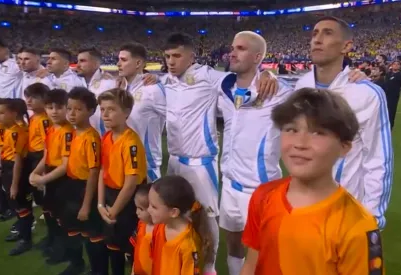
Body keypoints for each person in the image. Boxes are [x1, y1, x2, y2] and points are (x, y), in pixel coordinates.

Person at [161, 32, 278, 274]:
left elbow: (240, 77)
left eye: (176, 56)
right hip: (173, 161)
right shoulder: (166, 82)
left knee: (206, 217)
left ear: (191, 57)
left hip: (199, 164)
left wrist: (266, 71)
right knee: (178, 214)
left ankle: (209, 267)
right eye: (167, 56)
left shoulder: (207, 76)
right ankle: (184, 260)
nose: (171, 61)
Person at [241, 88, 384, 275]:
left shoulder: (357, 226)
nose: (300, 143)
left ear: (344, 147)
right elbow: (252, 265)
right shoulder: (263, 196)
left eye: (317, 132)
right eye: (291, 129)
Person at [294, 16, 393, 230]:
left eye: (327, 33)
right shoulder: (300, 87)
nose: (317, 40)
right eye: (314, 34)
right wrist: (265, 73)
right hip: (301, 207)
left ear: (346, 46)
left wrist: (373, 218)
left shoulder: (366, 94)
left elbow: (378, 160)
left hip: (344, 212)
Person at [218, 31, 293, 275]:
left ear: (257, 56)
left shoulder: (278, 90)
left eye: (240, 48)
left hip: (259, 189)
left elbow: (315, 93)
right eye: (232, 47)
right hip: (229, 184)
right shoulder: (223, 86)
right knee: (233, 242)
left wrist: (270, 74)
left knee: (262, 252)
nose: (232, 52)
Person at [97, 88, 147, 275]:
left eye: (111, 109)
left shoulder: (130, 142)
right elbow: (103, 171)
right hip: (110, 197)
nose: (105, 114)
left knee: (132, 247)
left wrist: (113, 211)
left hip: (127, 201)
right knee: (112, 245)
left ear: (126, 113)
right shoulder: (107, 137)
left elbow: (131, 183)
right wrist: (101, 204)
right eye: (102, 109)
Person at [59, 87, 102, 275]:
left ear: (91, 111)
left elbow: (94, 173)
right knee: (72, 228)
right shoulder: (74, 133)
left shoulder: (92, 138)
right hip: (72, 185)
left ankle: (97, 269)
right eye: (69, 109)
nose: (72, 113)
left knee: (91, 233)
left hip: (85, 189)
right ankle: (77, 264)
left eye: (78, 109)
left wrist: (86, 205)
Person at [29, 88, 74, 265]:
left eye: (59, 107)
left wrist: (42, 179)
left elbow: (65, 165)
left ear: (67, 108)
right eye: (50, 107)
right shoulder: (51, 128)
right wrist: (36, 172)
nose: (54, 111)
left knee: (63, 217)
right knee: (49, 211)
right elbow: (46, 155)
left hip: (63, 179)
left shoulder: (68, 131)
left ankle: (65, 251)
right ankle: (53, 241)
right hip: (50, 175)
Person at [117, 42, 166, 182]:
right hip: (122, 162)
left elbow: (176, 117)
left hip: (145, 166)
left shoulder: (153, 89)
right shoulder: (122, 89)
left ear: (138, 63)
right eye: (119, 59)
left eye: (123, 60)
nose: (118, 64)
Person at [148, 175, 213, 275]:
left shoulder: (188, 245)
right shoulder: (159, 228)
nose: (149, 210)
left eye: (154, 207)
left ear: (173, 212)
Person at [0, 98, 33, 256]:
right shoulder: (8, 130)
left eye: (2, 113)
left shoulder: (17, 132)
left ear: (13, 114)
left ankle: (26, 239)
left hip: (16, 172)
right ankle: (22, 232)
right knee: (16, 205)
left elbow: (18, 161)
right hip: (8, 169)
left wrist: (15, 184)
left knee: (21, 205)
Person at [23, 83, 52, 235]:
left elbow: (48, 145)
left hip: (41, 157)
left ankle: (50, 219)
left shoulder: (44, 119)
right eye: (27, 97)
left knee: (44, 191)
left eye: (33, 98)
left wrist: (40, 169)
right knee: (38, 192)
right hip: (34, 155)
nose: (29, 100)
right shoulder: (34, 116)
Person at [76, 48, 117, 135]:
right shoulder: (73, 82)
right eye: (78, 61)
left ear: (95, 64)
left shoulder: (109, 84)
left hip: (102, 139)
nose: (77, 65)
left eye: (82, 61)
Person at [131, 184, 154, 275]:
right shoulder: (141, 224)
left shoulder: (162, 232)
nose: (137, 212)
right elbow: (137, 250)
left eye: (141, 209)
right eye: (136, 207)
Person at [383, 58, 401, 130]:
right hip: (385, 94)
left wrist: (397, 89)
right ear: (392, 65)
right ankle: (384, 124)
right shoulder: (388, 74)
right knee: (385, 110)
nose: (396, 65)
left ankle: (390, 126)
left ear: (399, 66)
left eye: (397, 64)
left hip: (394, 95)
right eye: (394, 64)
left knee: (391, 110)